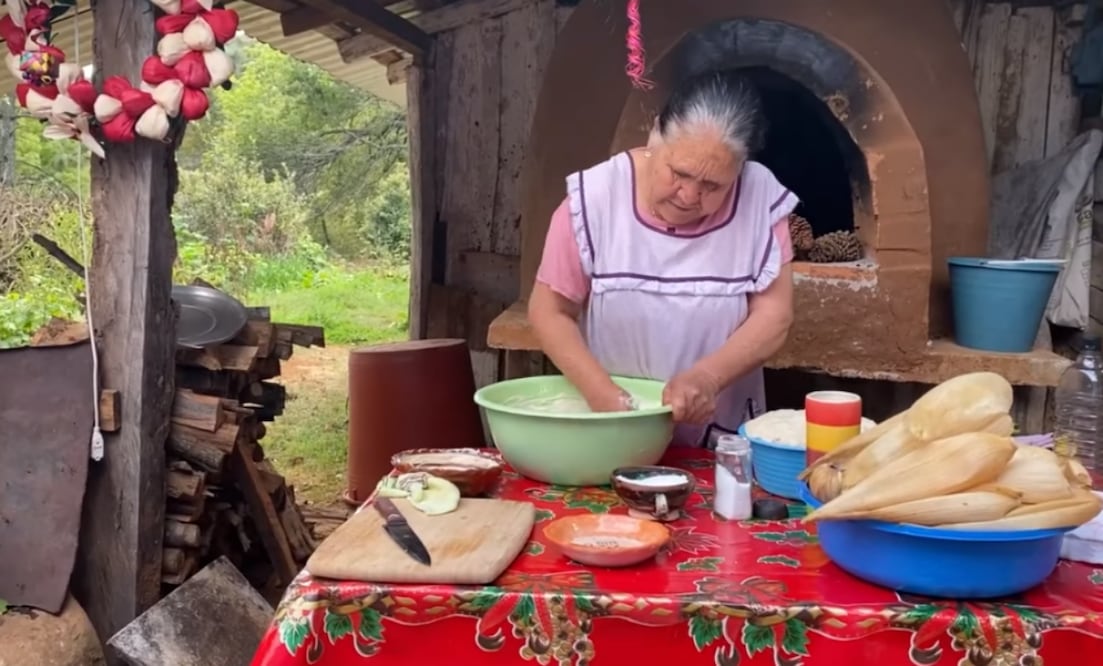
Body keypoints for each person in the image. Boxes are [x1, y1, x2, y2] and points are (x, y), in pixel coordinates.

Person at [528, 70, 798, 447]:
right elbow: (549, 311)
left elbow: (774, 315)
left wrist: (707, 378)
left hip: (720, 441)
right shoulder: (594, 200)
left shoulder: (760, 201)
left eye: (713, 186)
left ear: (741, 169)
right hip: (615, 433)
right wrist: (600, 392)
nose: (688, 196)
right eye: (679, 173)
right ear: (655, 134)